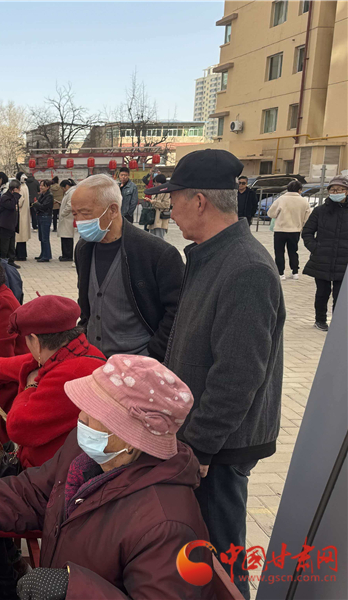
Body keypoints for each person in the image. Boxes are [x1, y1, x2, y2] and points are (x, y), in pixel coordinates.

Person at [0, 354, 217, 600]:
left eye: (95, 415)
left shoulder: (167, 526)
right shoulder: (88, 455)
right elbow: (32, 493)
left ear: (131, 438)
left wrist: (72, 587)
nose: (81, 418)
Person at [148, 148, 285, 600]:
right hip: (200, 435)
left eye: (174, 200)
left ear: (200, 201)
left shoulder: (246, 268)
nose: (170, 210)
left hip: (220, 445)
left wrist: (200, 446)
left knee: (221, 557)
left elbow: (238, 374)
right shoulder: (209, 256)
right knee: (199, 550)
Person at [0, 295, 106, 470]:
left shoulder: (69, 375)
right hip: (57, 463)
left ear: (35, 341)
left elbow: (18, 428)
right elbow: (13, 365)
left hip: (49, 475)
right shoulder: (80, 351)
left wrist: (30, 385)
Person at [73, 174, 183, 361]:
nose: (79, 222)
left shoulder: (156, 253)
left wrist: (154, 352)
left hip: (140, 363)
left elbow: (177, 311)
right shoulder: (84, 249)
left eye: (86, 213)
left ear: (113, 210)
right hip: (94, 359)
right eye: (75, 214)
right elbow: (87, 302)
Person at [302, 175, 348, 331]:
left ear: (346, 191)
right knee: (322, 293)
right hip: (322, 259)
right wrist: (316, 248)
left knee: (340, 295)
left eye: (340, 190)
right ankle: (320, 320)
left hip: (343, 261)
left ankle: (338, 323)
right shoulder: (320, 211)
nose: (336, 192)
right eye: (333, 190)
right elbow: (307, 232)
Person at [268, 179, 311, 280]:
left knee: (279, 252)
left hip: (280, 230)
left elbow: (271, 213)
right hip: (295, 230)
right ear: (300, 190)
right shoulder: (304, 201)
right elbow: (307, 217)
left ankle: (280, 273)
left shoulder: (281, 199)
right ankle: (295, 272)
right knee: (293, 251)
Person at [0, 180, 19, 268]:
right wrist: (16, 195)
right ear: (14, 189)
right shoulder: (5, 197)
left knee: (11, 245)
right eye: (18, 190)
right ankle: (3, 262)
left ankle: (11, 261)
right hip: (4, 225)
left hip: (11, 225)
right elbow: (11, 205)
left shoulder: (12, 197)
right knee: (4, 246)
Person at [145, 174, 172, 239]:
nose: (155, 184)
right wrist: (150, 201)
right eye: (155, 182)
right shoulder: (155, 191)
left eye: (157, 183)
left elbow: (166, 204)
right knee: (152, 238)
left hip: (161, 218)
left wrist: (153, 202)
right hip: (153, 218)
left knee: (159, 238)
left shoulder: (167, 192)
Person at [34, 179, 54, 262]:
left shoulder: (49, 196)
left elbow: (44, 206)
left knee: (45, 237)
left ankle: (46, 256)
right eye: (40, 185)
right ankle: (43, 253)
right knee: (41, 237)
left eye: (43, 186)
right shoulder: (42, 195)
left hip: (46, 217)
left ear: (47, 187)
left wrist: (36, 204)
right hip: (40, 216)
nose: (41, 187)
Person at [57, 179, 76, 261]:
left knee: (67, 238)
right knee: (64, 237)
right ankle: (65, 254)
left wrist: (63, 213)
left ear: (67, 186)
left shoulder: (71, 192)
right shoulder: (69, 192)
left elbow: (69, 206)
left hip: (68, 218)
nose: (63, 190)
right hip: (66, 218)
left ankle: (68, 255)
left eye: (63, 188)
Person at [15, 172, 31, 260]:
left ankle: (20, 255)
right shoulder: (26, 186)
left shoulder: (21, 188)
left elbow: (19, 202)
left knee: (20, 236)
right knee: (22, 236)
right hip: (25, 213)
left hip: (20, 214)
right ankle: (21, 254)